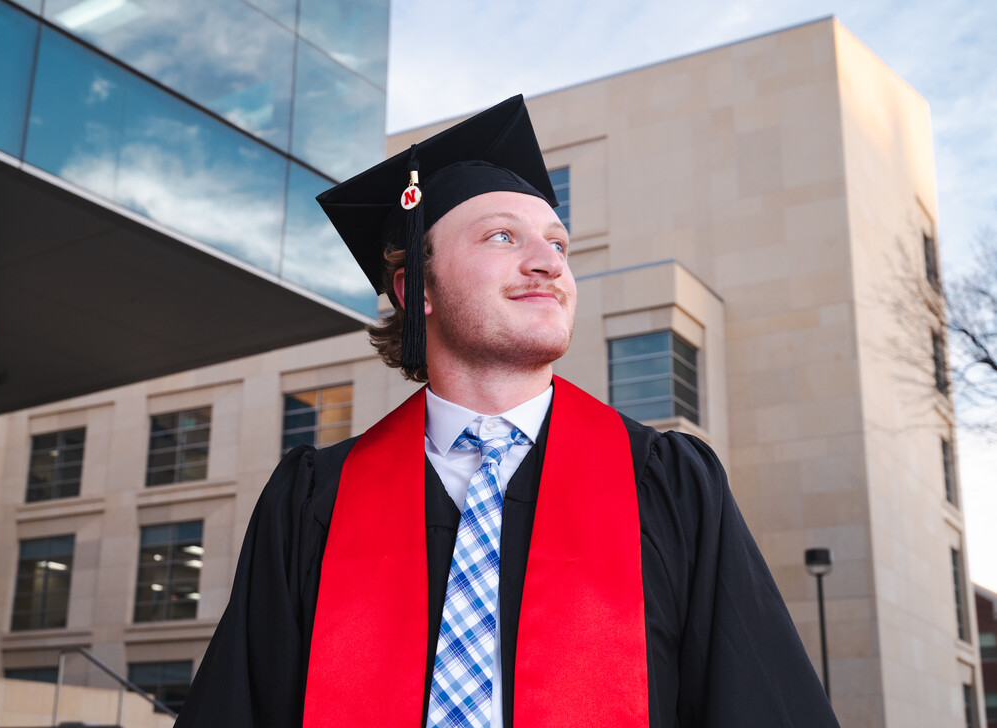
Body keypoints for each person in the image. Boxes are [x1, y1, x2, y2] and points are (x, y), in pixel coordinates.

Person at [174, 96, 839, 727]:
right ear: (415, 289)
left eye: (559, 244)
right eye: (501, 236)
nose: (548, 262)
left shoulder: (668, 485)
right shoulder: (312, 502)